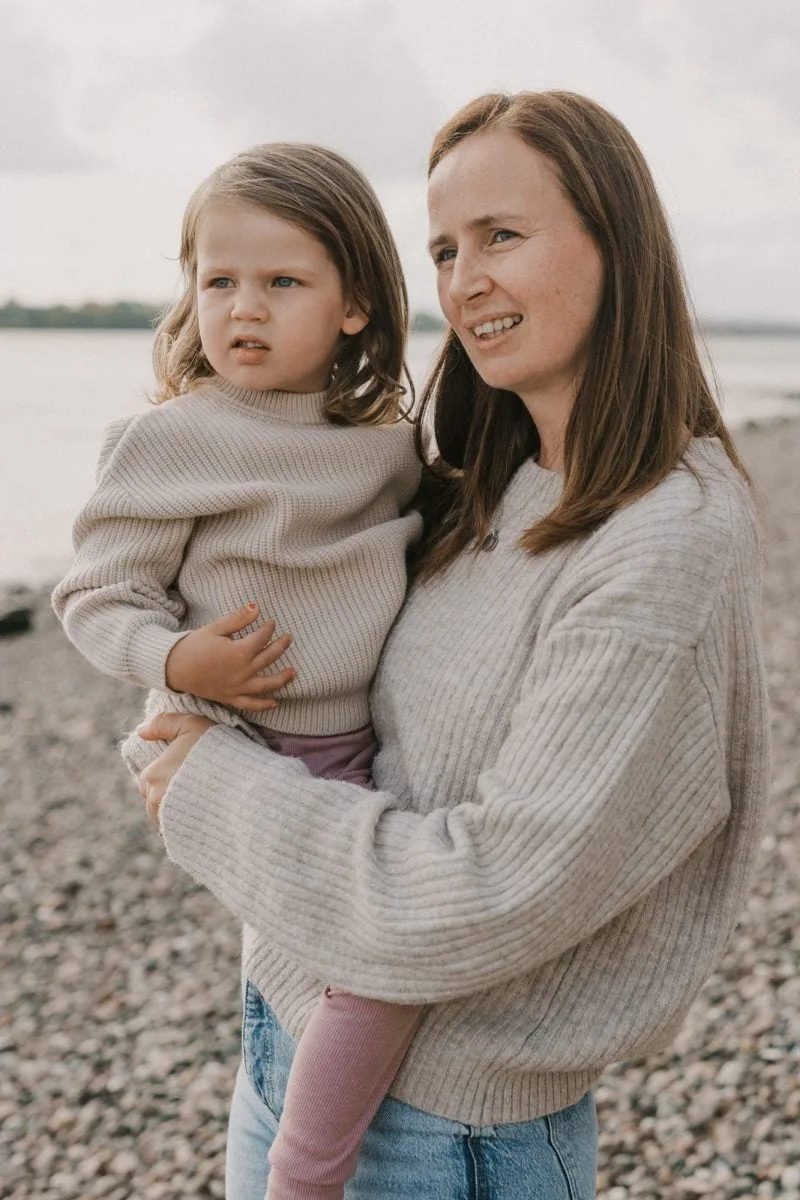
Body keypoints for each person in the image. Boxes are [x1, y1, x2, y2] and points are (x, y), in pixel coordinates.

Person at [137, 91, 770, 1200]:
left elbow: (486, 894)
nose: (464, 280)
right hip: (284, 1026)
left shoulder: (664, 535)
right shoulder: (486, 482)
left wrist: (200, 779)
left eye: (501, 236)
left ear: (614, 244)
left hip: (442, 1133)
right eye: (441, 248)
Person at [51, 143, 428, 1200]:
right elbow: (93, 596)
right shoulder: (171, 440)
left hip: (355, 750)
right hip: (237, 748)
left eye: (281, 282)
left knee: (363, 959)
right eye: (217, 281)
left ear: (354, 304)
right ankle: (301, 1177)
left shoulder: (384, 444)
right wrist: (177, 654)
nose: (241, 308)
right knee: (378, 970)